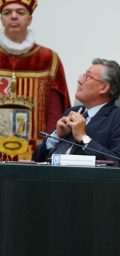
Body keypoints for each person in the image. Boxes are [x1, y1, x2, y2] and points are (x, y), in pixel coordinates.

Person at [0, 0, 70, 161]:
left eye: (20, 12)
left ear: (29, 19)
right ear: (2, 19)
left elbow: (56, 113)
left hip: (34, 158)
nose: (14, 16)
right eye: (7, 12)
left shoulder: (48, 58)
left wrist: (49, 154)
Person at [32, 58, 120, 164]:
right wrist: (57, 135)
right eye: (83, 76)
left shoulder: (119, 118)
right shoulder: (70, 112)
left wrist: (83, 138)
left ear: (103, 88)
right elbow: (36, 159)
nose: (80, 81)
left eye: (88, 77)